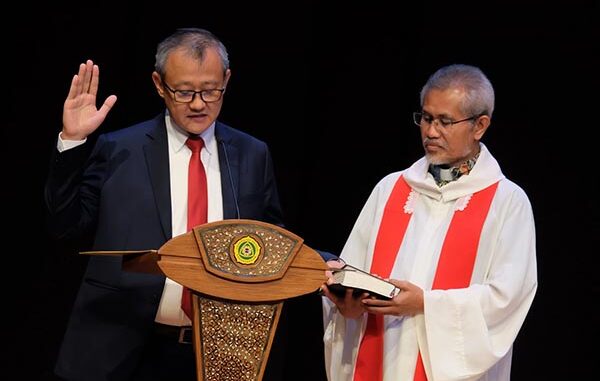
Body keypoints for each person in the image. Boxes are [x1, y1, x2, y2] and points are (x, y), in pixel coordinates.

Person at [45, 27, 290, 381]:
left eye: (210, 91)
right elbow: (65, 227)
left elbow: (271, 241)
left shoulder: (253, 154)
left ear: (227, 80)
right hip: (117, 350)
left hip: (216, 355)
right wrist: (73, 141)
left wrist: (326, 263)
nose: (197, 103)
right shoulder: (119, 149)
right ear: (159, 85)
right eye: (184, 91)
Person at [321, 64, 537, 381]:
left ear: (480, 125)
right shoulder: (390, 188)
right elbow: (354, 270)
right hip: (378, 356)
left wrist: (425, 304)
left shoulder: (507, 202)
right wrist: (347, 305)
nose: (431, 132)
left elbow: (506, 300)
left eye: (445, 122)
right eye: (426, 118)